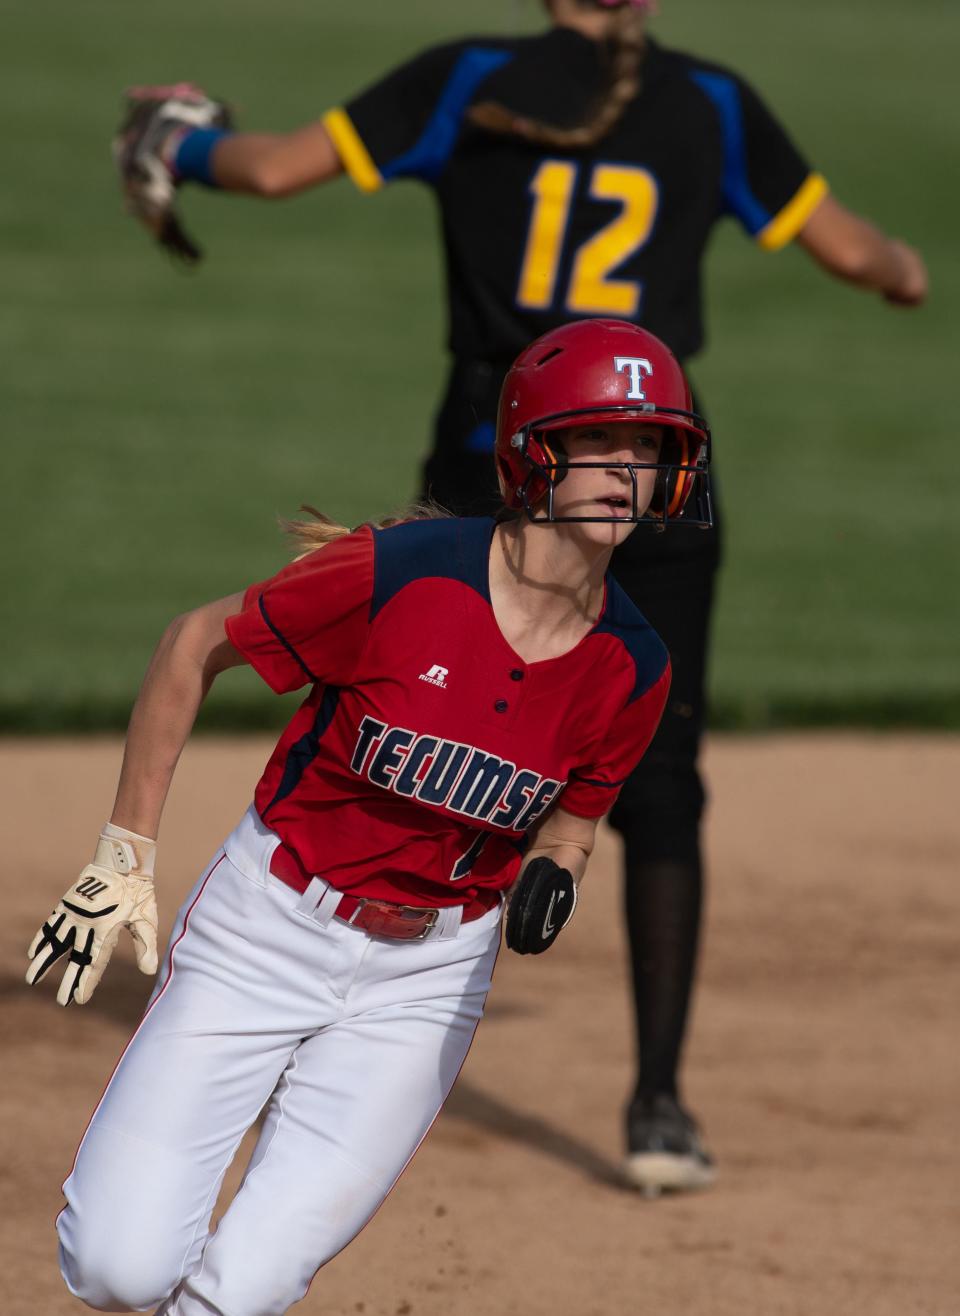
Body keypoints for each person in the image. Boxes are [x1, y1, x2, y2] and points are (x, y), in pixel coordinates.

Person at [113, 0, 928, 1194]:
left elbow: (277, 169)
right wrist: (906, 274)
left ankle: (315, 999)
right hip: (656, 490)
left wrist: (176, 140)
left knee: (395, 711)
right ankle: (657, 1105)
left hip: (490, 475)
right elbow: (863, 256)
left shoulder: (469, 79)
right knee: (659, 776)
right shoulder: (709, 104)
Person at [27, 319, 711, 1315]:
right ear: (535, 448)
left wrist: (556, 866)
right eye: (601, 440)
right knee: (116, 1265)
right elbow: (191, 645)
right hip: (268, 926)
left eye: (650, 448)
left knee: (247, 1286)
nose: (627, 470)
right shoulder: (403, 573)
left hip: (424, 982)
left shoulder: (634, 665)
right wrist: (124, 852)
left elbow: (576, 814)